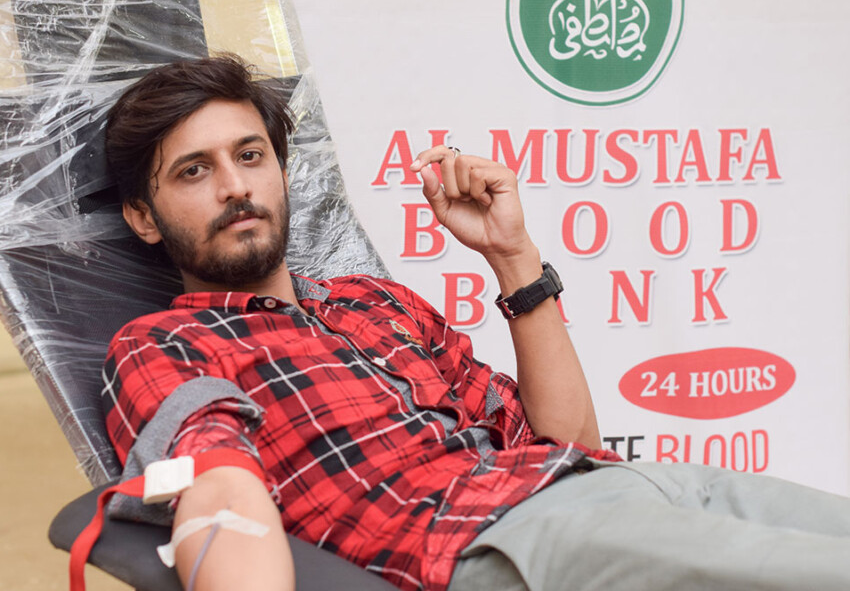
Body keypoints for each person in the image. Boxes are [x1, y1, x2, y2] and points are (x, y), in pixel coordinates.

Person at [102, 55, 850, 591]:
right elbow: (219, 494)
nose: (236, 186)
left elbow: (571, 445)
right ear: (143, 216)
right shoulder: (163, 346)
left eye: (250, 155)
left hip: (632, 487)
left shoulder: (374, 302)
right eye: (194, 170)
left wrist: (512, 255)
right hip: (508, 542)